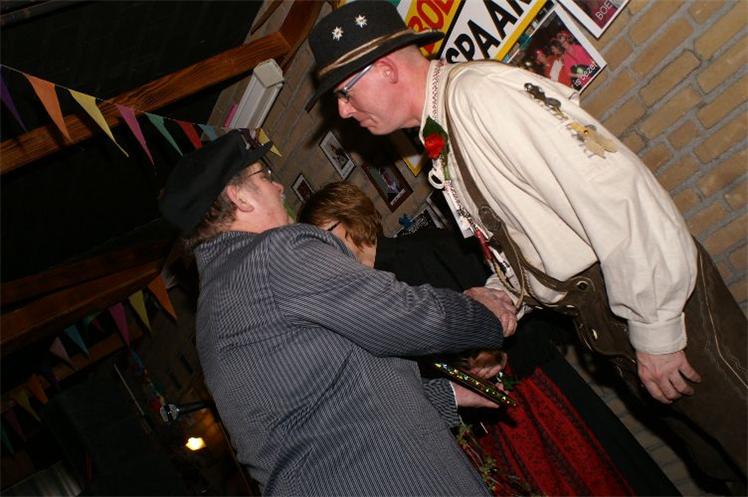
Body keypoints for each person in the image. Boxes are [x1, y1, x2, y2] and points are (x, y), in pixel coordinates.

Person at [305, 2, 747, 492]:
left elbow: (617, 194)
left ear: (385, 69)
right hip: (606, 311)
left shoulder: (480, 96)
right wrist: (501, 296)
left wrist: (656, 324)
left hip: (655, 300)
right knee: (719, 462)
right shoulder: (446, 124)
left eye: (344, 92)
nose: (343, 111)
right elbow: (530, 238)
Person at [157, 130, 519, 496]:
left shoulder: (210, 321)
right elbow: (400, 316)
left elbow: (324, 412)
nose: (279, 187)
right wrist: (485, 311)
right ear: (240, 197)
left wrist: (449, 394)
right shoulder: (274, 253)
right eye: (264, 176)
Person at [299, 181, 680, 496]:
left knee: (592, 479)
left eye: (325, 236)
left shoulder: (426, 247)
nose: (325, 252)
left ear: (351, 218)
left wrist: (493, 346)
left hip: (527, 392)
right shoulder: (367, 297)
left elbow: (513, 301)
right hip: (473, 422)